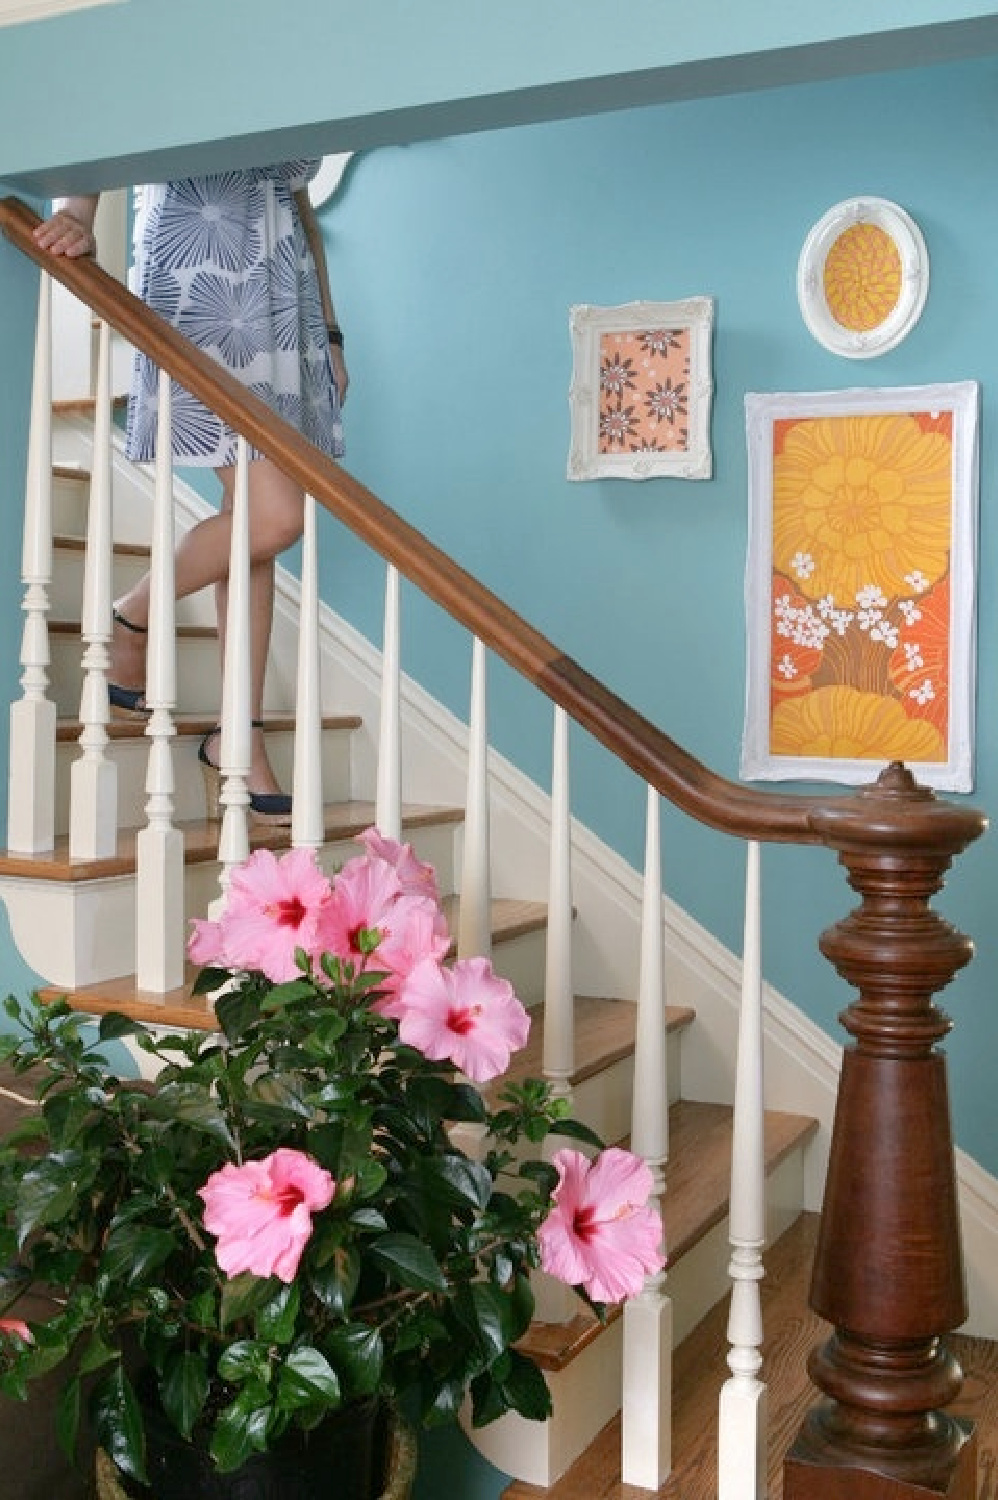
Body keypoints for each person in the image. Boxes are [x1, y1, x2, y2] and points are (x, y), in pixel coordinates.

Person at [34, 162, 349, 822]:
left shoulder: (297, 72)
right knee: (274, 517)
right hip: (198, 271)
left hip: (283, 295)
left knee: (250, 526)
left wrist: (330, 327)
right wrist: (82, 211)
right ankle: (131, 615)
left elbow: (300, 207)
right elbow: (114, 111)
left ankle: (242, 736)